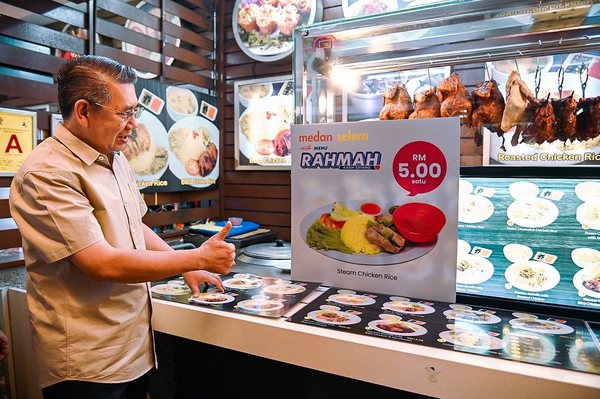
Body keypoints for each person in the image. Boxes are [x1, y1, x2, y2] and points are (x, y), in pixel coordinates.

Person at [9, 55, 236, 399]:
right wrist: (196, 259)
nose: (134, 124)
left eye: (135, 111)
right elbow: (101, 263)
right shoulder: (48, 173)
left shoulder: (113, 157)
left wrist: (185, 268)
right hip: (89, 361)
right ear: (84, 111)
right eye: (125, 112)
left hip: (132, 346)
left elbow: (136, 225)